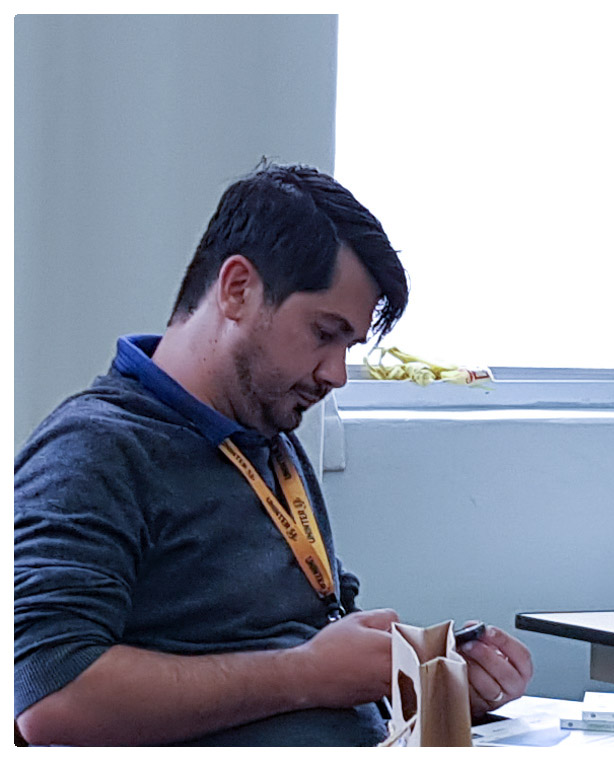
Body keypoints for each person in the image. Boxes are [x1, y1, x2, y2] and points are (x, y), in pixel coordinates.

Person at [14, 162, 534, 746]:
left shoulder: (269, 441)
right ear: (238, 289)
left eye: (348, 346)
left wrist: (439, 684)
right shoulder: (94, 450)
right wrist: (305, 676)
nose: (336, 374)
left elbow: (310, 648)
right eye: (324, 333)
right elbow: (49, 696)